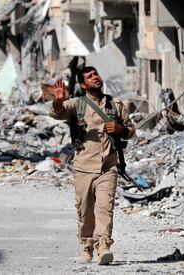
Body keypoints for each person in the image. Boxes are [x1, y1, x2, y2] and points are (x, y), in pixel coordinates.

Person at [49, 66, 135, 265]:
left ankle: (104, 247)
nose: (95, 77)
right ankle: (86, 246)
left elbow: (131, 130)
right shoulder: (76, 105)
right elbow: (57, 113)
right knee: (85, 211)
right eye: (89, 76)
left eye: (96, 74)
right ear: (82, 84)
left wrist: (121, 129)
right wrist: (58, 100)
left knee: (106, 208)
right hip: (83, 168)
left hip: (109, 167)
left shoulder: (116, 105)